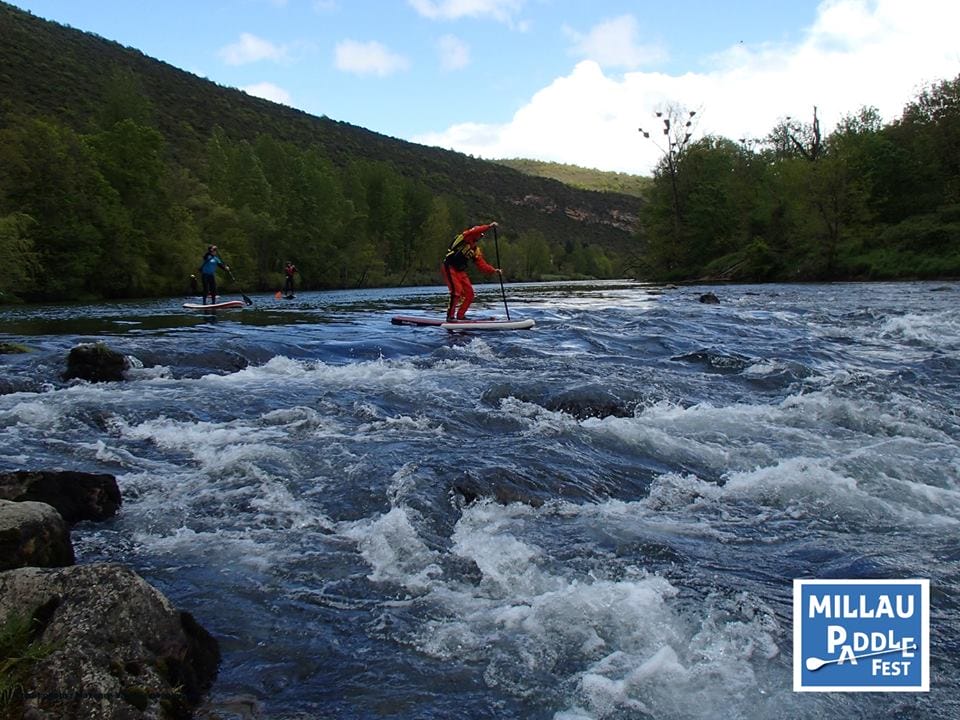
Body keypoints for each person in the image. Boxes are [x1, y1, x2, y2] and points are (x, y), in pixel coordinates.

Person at [442, 222, 501, 321]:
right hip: (449, 267)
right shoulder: (464, 236)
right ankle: (450, 316)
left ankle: (460, 316)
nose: (479, 237)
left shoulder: (475, 250)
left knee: (470, 294)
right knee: (456, 292)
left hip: (460, 271)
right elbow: (475, 231)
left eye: (481, 236)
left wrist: (494, 270)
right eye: (479, 235)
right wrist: (489, 226)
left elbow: (481, 264)